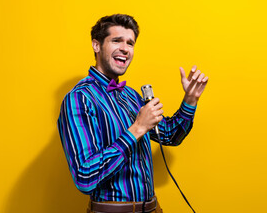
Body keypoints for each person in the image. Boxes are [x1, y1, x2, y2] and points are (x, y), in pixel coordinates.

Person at [57, 14, 208, 213]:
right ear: (96, 45)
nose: (125, 49)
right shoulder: (79, 98)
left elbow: (171, 135)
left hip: (153, 209)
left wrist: (190, 99)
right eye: (116, 40)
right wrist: (137, 129)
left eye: (130, 43)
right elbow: (85, 177)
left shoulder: (130, 96)